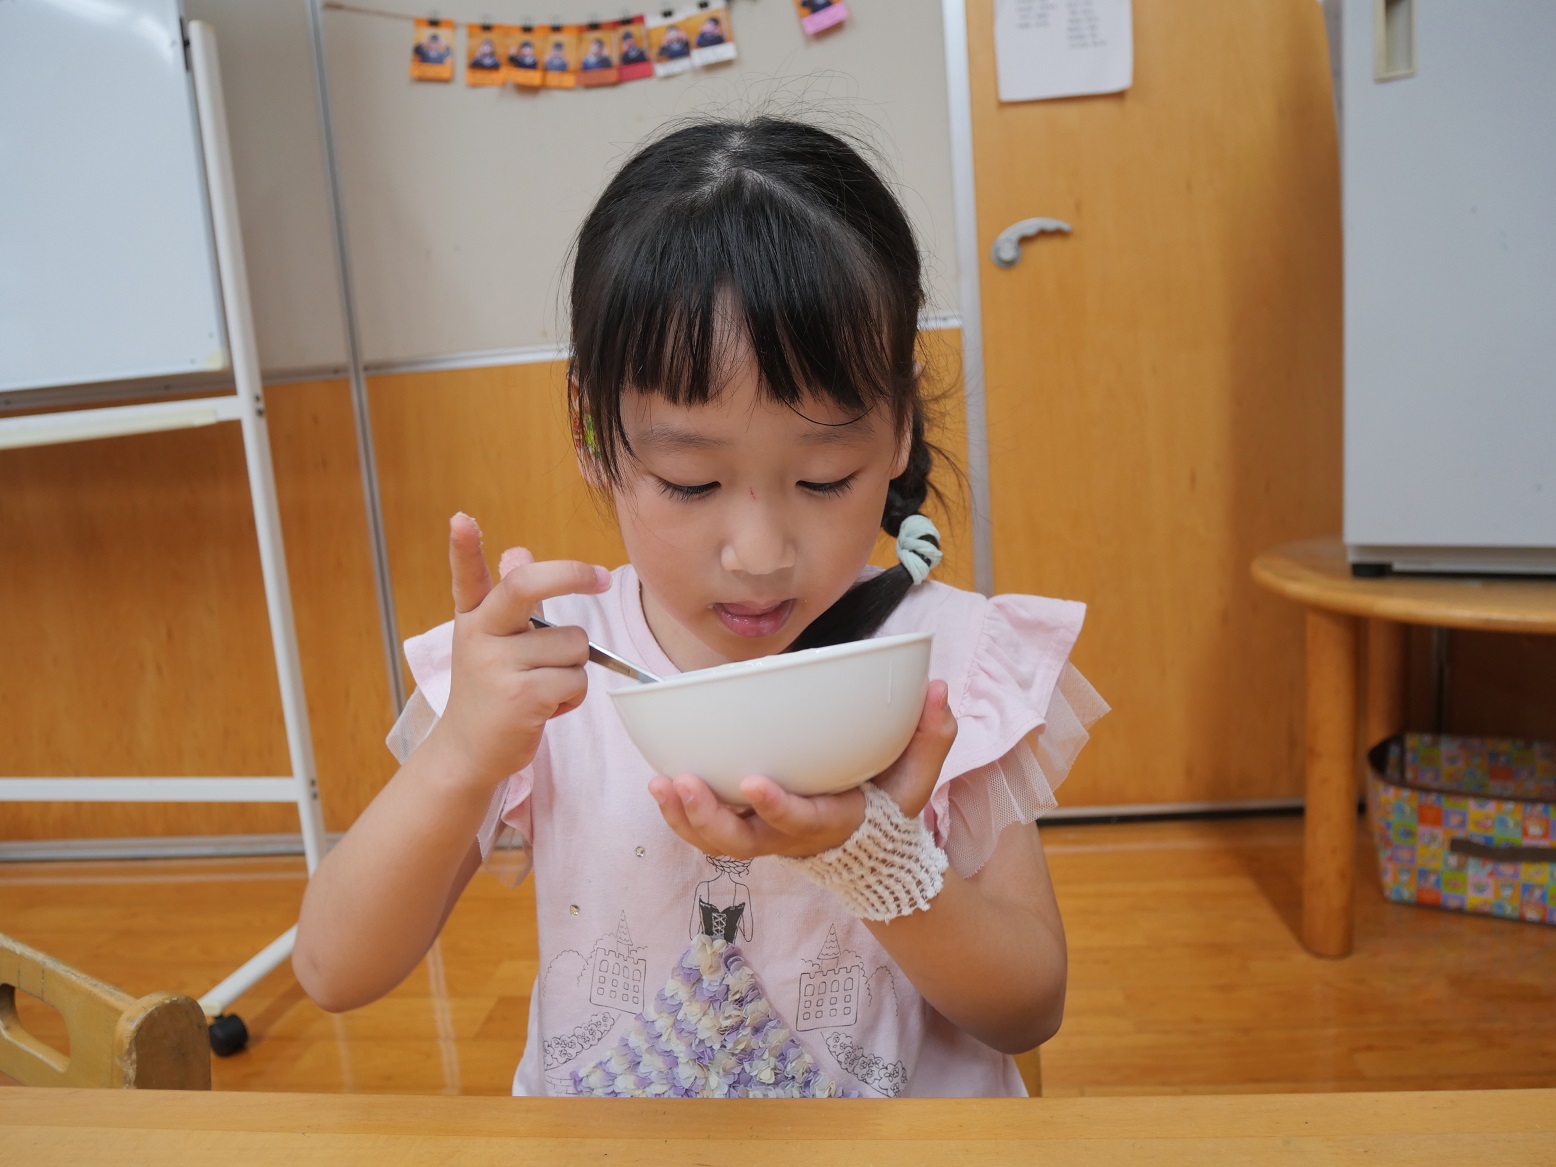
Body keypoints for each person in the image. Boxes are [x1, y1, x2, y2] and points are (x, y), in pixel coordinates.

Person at [294, 117, 1105, 1099]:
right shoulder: (548, 670)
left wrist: (873, 854)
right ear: (594, 432)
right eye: (690, 482)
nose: (758, 553)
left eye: (824, 477)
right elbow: (332, 969)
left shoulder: (943, 664)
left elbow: (1027, 1006)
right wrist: (463, 751)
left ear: (900, 428)